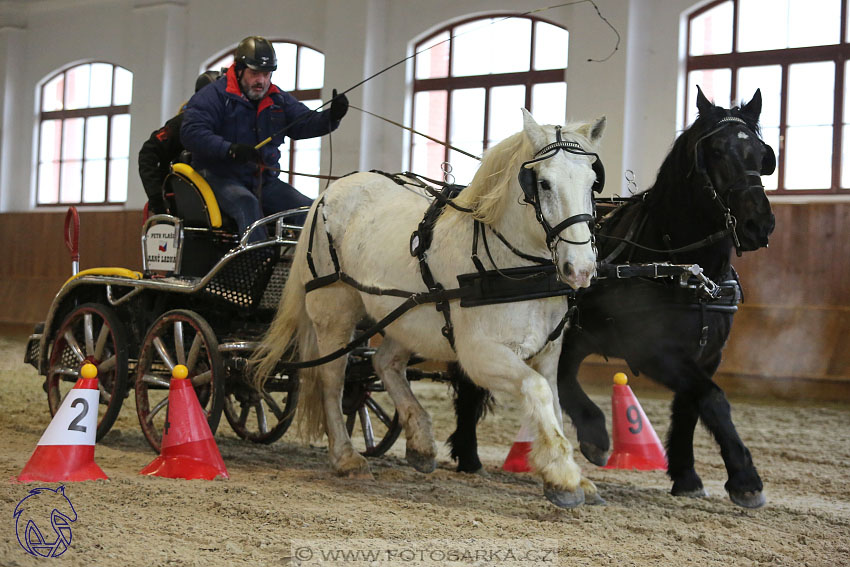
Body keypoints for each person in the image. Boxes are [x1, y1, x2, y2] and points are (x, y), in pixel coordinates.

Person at [181, 36, 348, 237]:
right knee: (246, 203)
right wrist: (229, 149)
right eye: (255, 73)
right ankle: (257, 263)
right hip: (218, 177)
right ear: (239, 69)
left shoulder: (277, 98)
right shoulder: (213, 96)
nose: (261, 80)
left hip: (263, 181)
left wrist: (332, 116)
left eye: (266, 74)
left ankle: (305, 266)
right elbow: (191, 133)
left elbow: (303, 123)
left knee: (309, 209)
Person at [138, 70, 222, 214]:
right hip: (185, 201)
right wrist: (157, 198)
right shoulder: (182, 123)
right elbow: (148, 153)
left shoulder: (231, 124)